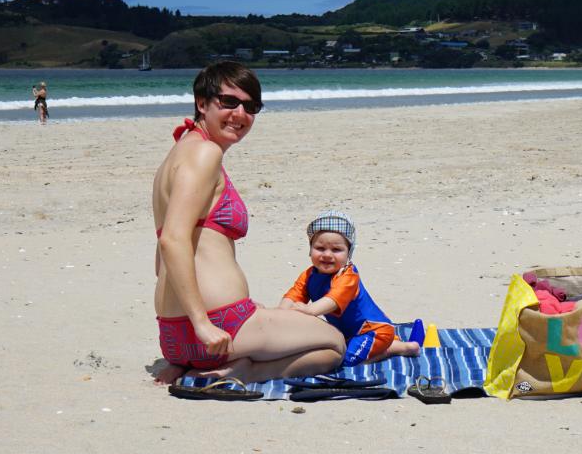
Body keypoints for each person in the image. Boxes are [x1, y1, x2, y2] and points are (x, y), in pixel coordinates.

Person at [152, 61, 344, 385]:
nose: (240, 114)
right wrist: (202, 322)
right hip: (218, 328)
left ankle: (188, 366)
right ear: (202, 103)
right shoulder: (205, 154)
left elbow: (161, 260)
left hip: (172, 335)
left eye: (250, 106)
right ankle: (245, 370)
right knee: (333, 344)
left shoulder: (178, 153)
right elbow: (172, 239)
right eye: (228, 102)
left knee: (275, 320)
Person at [279, 211, 422, 366]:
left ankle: (391, 350)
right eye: (320, 248)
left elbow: (333, 300)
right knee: (332, 347)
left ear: (348, 254)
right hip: (348, 333)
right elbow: (293, 296)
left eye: (336, 250)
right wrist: (280, 314)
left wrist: (309, 310)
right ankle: (407, 346)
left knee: (344, 361)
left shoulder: (348, 276)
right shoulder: (309, 275)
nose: (327, 255)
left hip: (374, 331)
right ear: (310, 249)